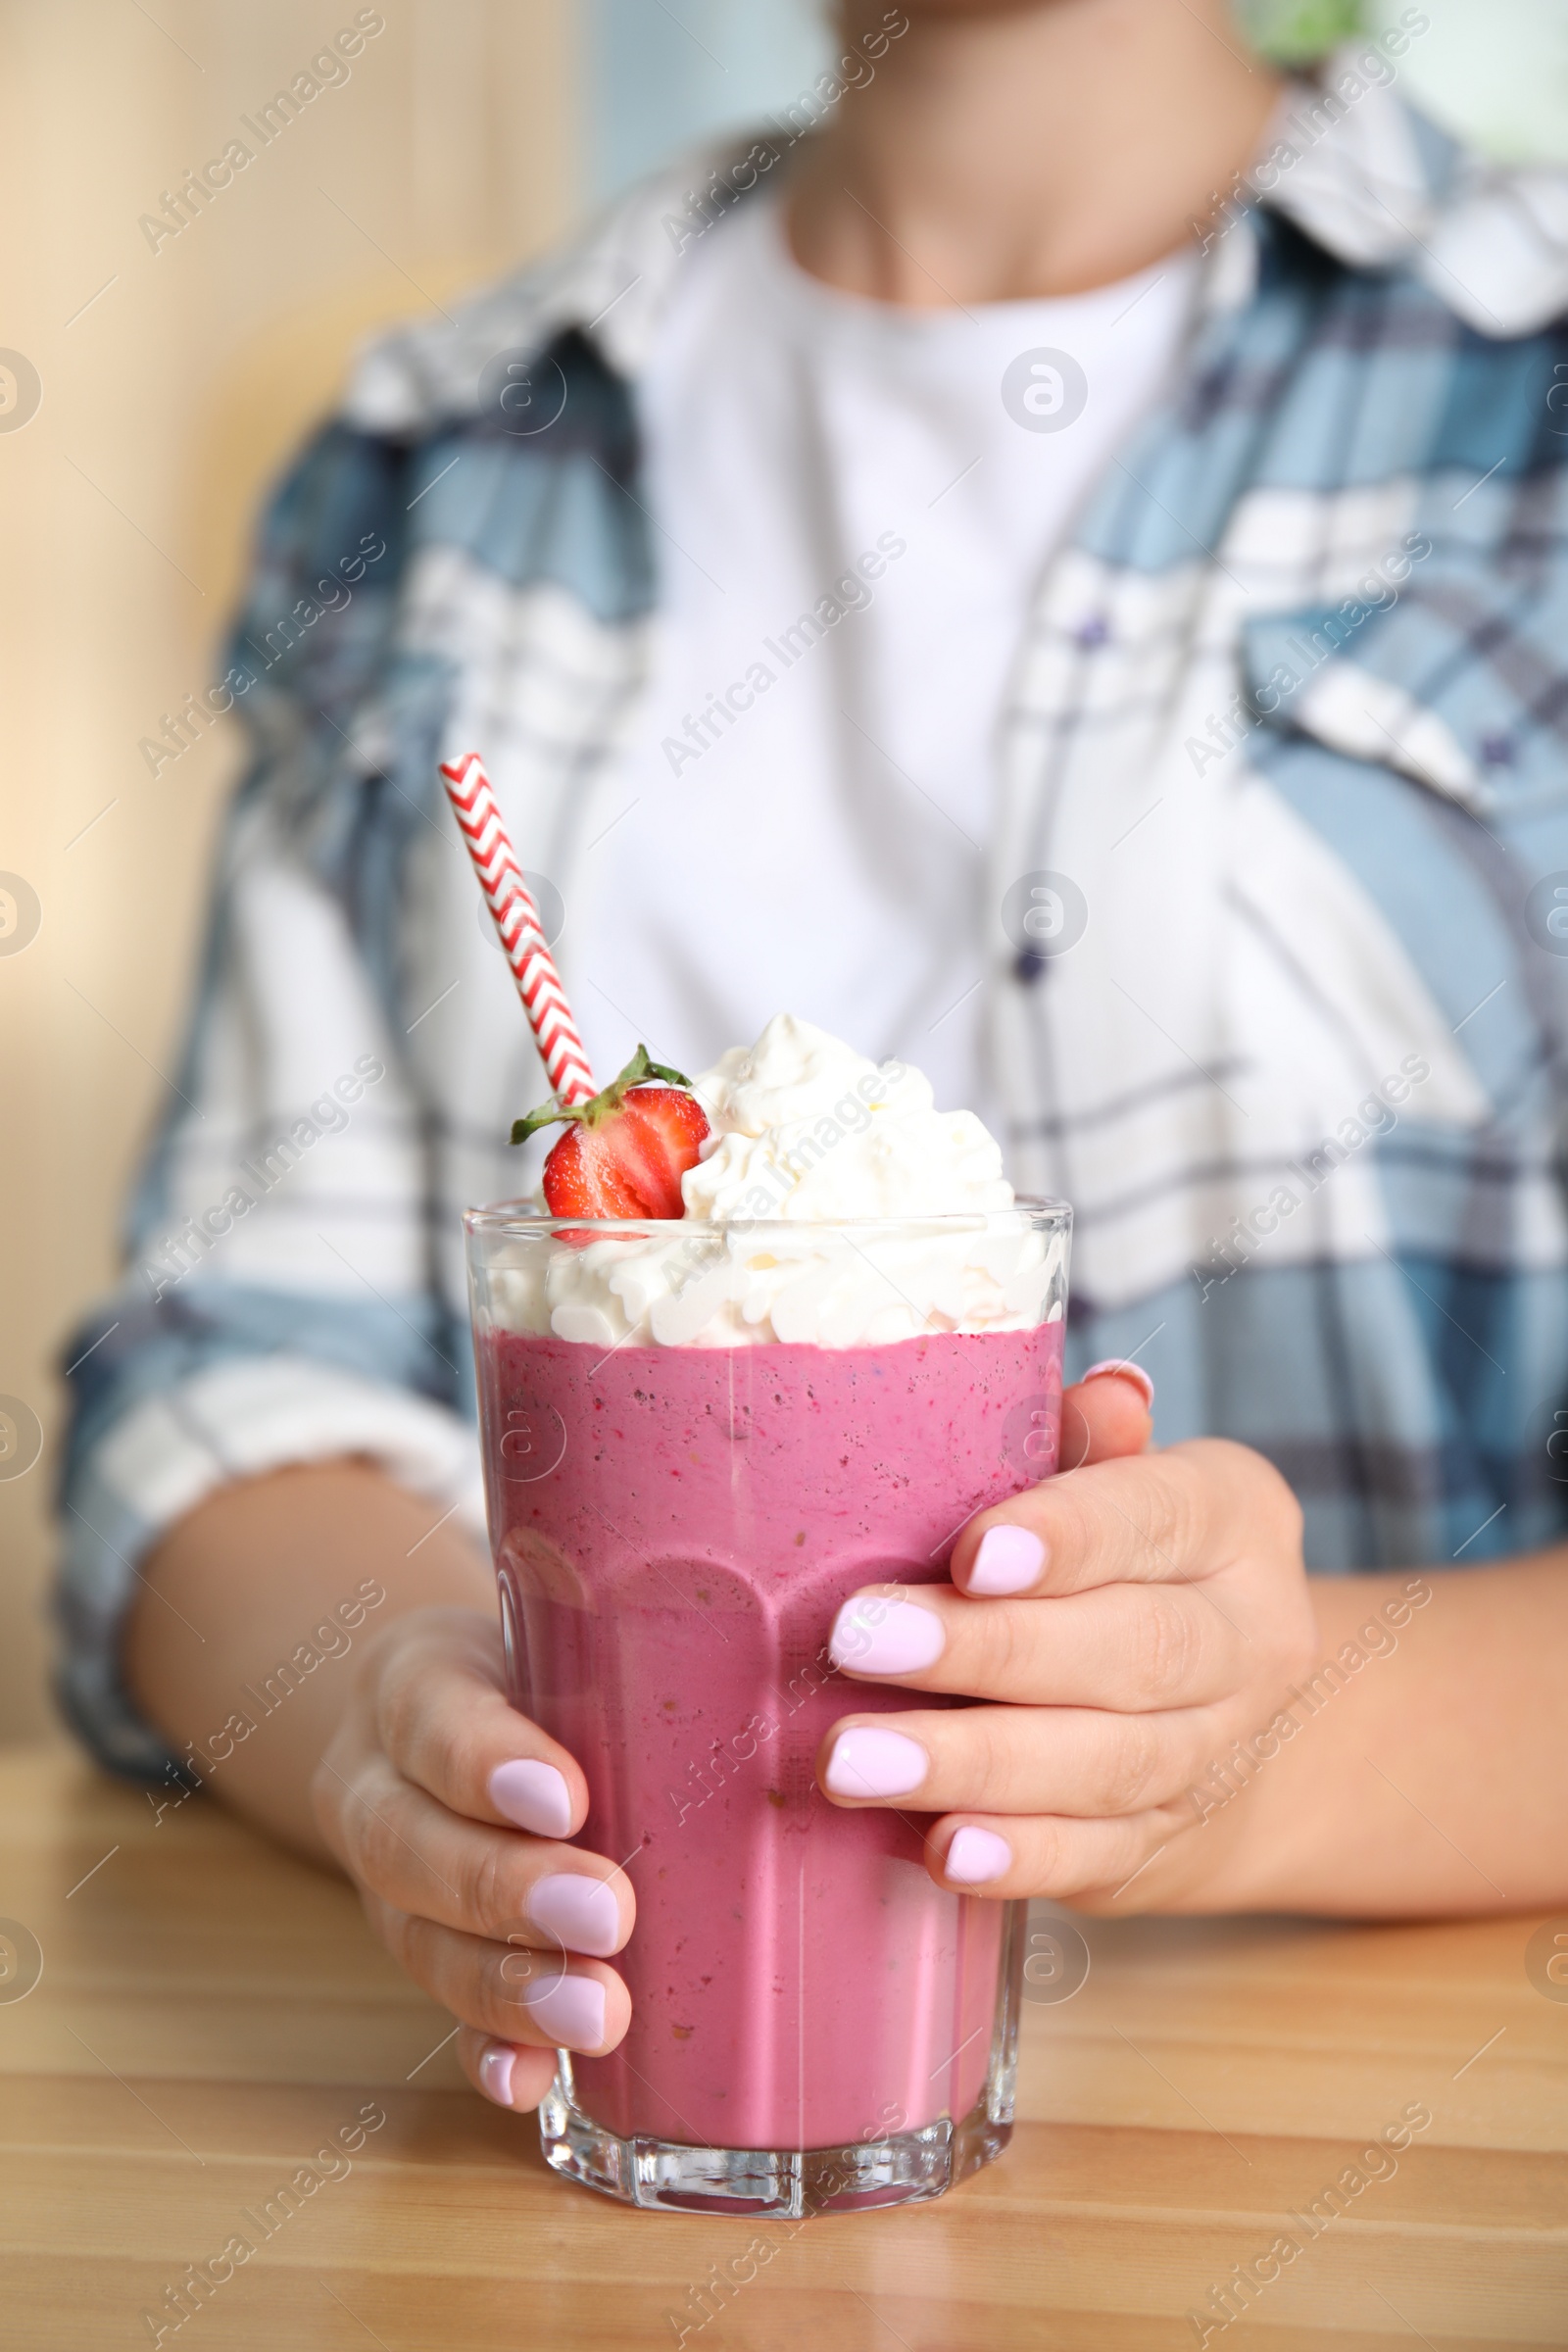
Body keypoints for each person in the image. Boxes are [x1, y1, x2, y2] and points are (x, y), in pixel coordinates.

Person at [58, 0, 1568, 2121]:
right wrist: (394, 1728)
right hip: (592, 2112)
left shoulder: (1531, 393)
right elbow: (220, 1384)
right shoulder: (430, 461)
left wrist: (1251, 1755)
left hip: (1394, 2144)